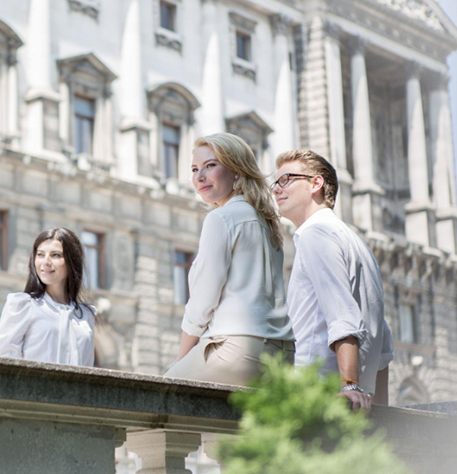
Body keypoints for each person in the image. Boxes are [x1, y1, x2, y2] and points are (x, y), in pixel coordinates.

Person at [165, 133, 295, 385]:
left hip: (237, 349)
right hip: (283, 355)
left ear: (237, 171)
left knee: (157, 397)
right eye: (194, 169)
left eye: (210, 165)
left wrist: (181, 360)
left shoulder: (221, 218)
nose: (199, 176)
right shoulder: (269, 224)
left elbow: (202, 301)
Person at [273, 150, 394, 410]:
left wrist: (348, 384)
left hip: (317, 393)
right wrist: (381, 410)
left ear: (316, 184)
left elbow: (342, 315)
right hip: (351, 400)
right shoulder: (355, 242)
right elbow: (382, 339)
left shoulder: (315, 234)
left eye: (286, 180)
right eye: (275, 183)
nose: (276, 189)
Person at [0, 227, 96, 366]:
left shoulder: (85, 315)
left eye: (55, 255)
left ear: (72, 261)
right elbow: (5, 362)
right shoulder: (23, 306)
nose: (45, 262)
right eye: (40, 254)